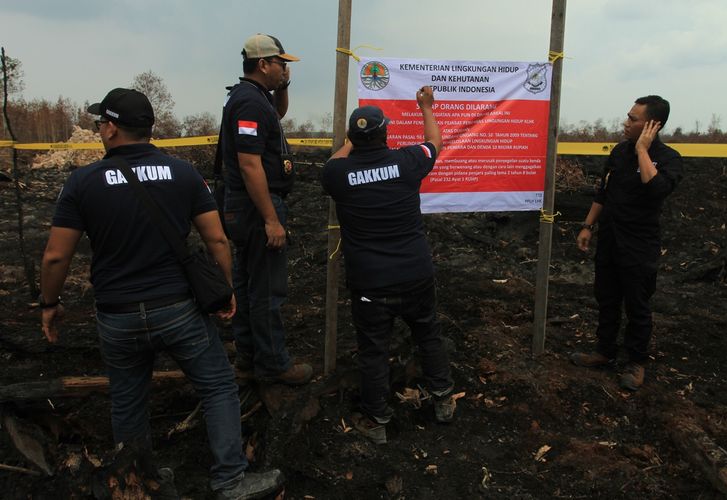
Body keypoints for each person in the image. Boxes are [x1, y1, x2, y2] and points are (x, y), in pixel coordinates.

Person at [40, 88, 283, 498]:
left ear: (112, 128)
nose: (99, 127)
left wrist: (49, 304)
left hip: (116, 315)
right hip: (178, 310)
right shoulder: (184, 173)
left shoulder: (83, 182)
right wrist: (224, 291)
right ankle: (231, 479)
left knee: (128, 399)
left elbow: (54, 258)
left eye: (101, 122)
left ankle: (140, 481)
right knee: (218, 385)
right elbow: (217, 241)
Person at [321, 87, 455, 445]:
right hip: (415, 275)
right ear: (387, 134)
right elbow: (435, 141)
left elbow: (334, 162)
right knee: (428, 335)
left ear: (353, 138)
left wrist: (351, 141)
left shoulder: (338, 176)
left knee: (373, 350)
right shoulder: (407, 162)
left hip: (370, 284)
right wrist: (425, 107)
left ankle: (377, 420)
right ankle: (443, 401)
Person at [570, 95, 684, 391]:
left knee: (637, 304)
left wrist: (643, 150)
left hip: (639, 245)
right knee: (606, 297)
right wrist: (588, 226)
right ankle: (604, 352)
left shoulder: (669, 158)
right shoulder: (619, 153)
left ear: (652, 125)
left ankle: (636, 361)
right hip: (609, 239)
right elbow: (603, 193)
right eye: (629, 116)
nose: (626, 122)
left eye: (633, 119)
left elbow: (656, 188)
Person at [220, 33, 312, 385]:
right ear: (263, 64)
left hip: (246, 208)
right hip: (255, 207)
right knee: (267, 290)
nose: (284, 67)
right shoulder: (249, 103)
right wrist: (271, 219)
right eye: (280, 63)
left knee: (247, 284)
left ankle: (247, 359)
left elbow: (277, 115)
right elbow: (249, 164)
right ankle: (273, 365)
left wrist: (284, 87)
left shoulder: (254, 98)